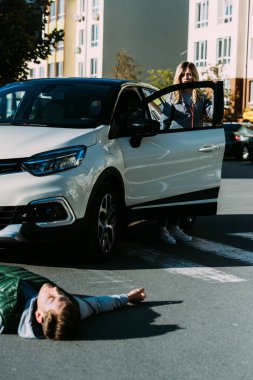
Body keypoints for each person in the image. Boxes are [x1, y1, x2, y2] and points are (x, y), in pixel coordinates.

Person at [0, 264, 146, 340]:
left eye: (51, 298)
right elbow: (98, 304)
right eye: (62, 297)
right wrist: (128, 297)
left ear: (39, 316)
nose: (56, 291)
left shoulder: (4, 318)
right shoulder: (71, 308)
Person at [158, 61, 214, 245]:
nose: (186, 77)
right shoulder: (172, 97)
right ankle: (162, 228)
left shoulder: (201, 97)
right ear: (179, 76)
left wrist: (215, 96)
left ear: (195, 75)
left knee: (186, 191)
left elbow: (213, 115)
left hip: (194, 149)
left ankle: (176, 227)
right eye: (183, 74)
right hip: (175, 149)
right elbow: (163, 123)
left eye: (190, 74)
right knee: (171, 190)